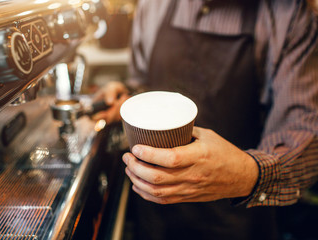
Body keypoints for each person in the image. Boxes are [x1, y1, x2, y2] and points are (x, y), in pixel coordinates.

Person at [93, 0, 318, 239]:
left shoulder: (290, 14)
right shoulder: (153, 4)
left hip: (238, 219)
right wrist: (128, 99)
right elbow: (145, 85)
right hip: (155, 217)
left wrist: (246, 174)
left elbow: (307, 136)